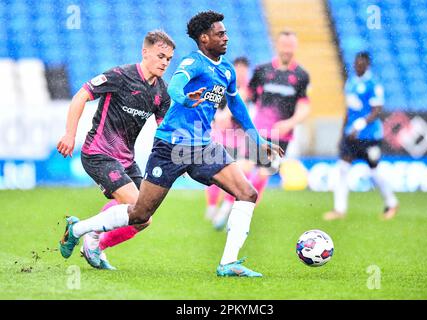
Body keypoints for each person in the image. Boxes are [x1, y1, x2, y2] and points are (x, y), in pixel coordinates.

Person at [58, 10, 284, 277]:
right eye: (220, 33)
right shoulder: (192, 63)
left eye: (226, 33)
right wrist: (187, 99)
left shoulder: (226, 70)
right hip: (171, 149)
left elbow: (235, 104)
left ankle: (228, 263)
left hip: (202, 146)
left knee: (247, 193)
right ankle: (79, 231)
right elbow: (176, 88)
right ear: (204, 38)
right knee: (140, 213)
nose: (226, 37)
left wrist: (256, 139)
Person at [56, 30, 175, 269]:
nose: (164, 62)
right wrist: (70, 134)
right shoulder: (120, 76)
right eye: (161, 56)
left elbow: (164, 132)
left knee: (144, 219)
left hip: (126, 160)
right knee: (134, 205)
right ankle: (79, 230)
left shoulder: (162, 93)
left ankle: (95, 242)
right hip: (98, 153)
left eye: (169, 59)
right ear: (145, 52)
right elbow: (81, 96)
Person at [211, 30, 311, 229]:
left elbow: (304, 105)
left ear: (295, 47)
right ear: (278, 45)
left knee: (263, 174)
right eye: (284, 45)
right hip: (257, 132)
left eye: (291, 45)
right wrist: (227, 115)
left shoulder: (300, 75)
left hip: (281, 135)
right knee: (242, 169)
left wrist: (290, 123)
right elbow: (244, 95)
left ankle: (244, 210)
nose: (287, 49)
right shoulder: (262, 70)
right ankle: (228, 207)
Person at [323, 51, 399, 221]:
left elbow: (377, 111)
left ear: (367, 65)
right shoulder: (350, 82)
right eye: (356, 64)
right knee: (342, 169)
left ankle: (392, 203)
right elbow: (348, 111)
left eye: (361, 64)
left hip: (370, 136)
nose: (358, 66)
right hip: (351, 136)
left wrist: (359, 125)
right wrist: (341, 132)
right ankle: (339, 210)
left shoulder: (373, 84)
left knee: (375, 172)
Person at [205, 56, 254, 228]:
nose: (241, 74)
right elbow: (220, 120)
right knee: (215, 176)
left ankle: (225, 210)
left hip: (240, 142)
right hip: (220, 139)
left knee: (239, 175)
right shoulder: (225, 90)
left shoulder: (251, 92)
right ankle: (212, 207)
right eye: (238, 70)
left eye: (244, 71)